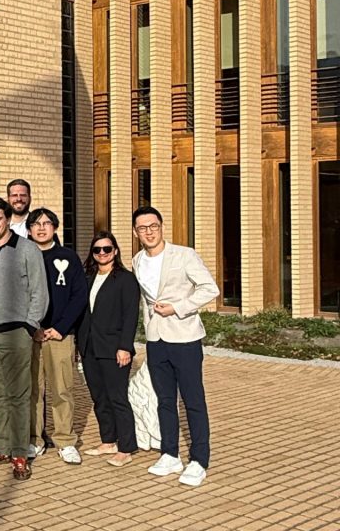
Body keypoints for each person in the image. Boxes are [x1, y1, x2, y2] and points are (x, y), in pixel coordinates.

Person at [132, 206, 219, 487]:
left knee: (193, 401)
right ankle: (170, 453)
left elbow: (209, 288)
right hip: (156, 340)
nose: (149, 232)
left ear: (161, 226)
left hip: (184, 337)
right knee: (164, 400)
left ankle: (199, 459)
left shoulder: (184, 255)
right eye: (143, 228)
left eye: (153, 226)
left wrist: (178, 308)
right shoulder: (137, 261)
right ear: (136, 232)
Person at [0, 196, 48, 481]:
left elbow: (39, 291)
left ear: (7, 219)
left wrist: (29, 325)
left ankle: (18, 452)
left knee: (18, 395)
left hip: (16, 333)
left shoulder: (27, 249)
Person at [26, 208, 87, 464]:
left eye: (47, 223)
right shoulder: (22, 256)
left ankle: (65, 439)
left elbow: (79, 296)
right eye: (36, 224)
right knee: (32, 389)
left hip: (60, 335)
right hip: (31, 334)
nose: (41, 228)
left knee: (62, 388)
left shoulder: (68, 257)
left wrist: (60, 328)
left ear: (55, 227)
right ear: (29, 229)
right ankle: (34, 439)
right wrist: (32, 328)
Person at [78, 231, 140, 468]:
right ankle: (108, 440)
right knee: (99, 397)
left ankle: (126, 447)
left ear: (115, 251)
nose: (102, 253)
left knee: (117, 397)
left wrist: (125, 346)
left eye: (107, 249)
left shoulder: (125, 279)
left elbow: (130, 316)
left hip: (114, 347)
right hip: (90, 346)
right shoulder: (88, 277)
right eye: (97, 250)